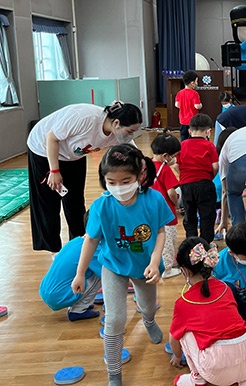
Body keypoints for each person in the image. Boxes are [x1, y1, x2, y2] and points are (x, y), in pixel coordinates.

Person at [71, 143, 173, 386]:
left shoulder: (154, 199)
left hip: (144, 267)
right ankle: (114, 373)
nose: (119, 188)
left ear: (140, 176)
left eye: (125, 180)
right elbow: (91, 241)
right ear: (104, 180)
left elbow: (161, 232)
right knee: (115, 319)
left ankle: (149, 321)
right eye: (111, 182)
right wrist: (80, 273)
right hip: (113, 266)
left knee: (148, 306)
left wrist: (156, 259)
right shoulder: (101, 206)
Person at [27, 101, 142, 253]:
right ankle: (54, 251)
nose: (131, 135)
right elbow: (51, 138)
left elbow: (135, 155)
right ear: (116, 123)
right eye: (130, 131)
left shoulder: (118, 134)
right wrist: (54, 171)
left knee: (75, 201)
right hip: (44, 149)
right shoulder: (84, 117)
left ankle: (79, 245)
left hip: (74, 156)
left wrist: (144, 169)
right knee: (48, 203)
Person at [169, 237, 246, 386]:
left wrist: (177, 357)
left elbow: (173, 338)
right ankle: (244, 380)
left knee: (182, 332)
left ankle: (197, 379)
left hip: (216, 372)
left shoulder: (183, 302)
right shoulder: (225, 287)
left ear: (184, 271)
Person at [39, 212, 102, 321]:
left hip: (46, 290)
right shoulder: (92, 251)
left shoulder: (76, 241)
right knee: (102, 274)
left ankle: (82, 302)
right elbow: (107, 274)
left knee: (87, 272)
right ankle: (78, 310)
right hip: (58, 296)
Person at [178, 114, 218, 243]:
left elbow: (176, 165)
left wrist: (183, 176)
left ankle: (191, 242)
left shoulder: (182, 145)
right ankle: (206, 243)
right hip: (204, 184)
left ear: (189, 131)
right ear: (208, 131)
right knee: (207, 215)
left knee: (189, 215)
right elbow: (215, 166)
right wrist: (209, 176)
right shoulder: (209, 146)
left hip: (186, 185)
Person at [151, 132, 182, 278]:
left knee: (153, 240)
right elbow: (171, 192)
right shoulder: (166, 170)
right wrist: (176, 202)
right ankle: (167, 269)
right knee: (168, 241)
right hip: (166, 213)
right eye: (174, 155)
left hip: (149, 212)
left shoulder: (147, 167)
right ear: (165, 156)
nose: (175, 158)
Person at [175, 70, 203, 141]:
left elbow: (177, 105)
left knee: (183, 137)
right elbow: (197, 106)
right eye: (196, 81)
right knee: (192, 138)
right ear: (192, 83)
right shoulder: (194, 93)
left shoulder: (180, 93)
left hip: (182, 120)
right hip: (192, 121)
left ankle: (184, 149)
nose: (197, 83)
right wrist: (200, 105)